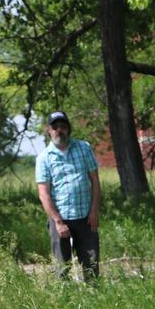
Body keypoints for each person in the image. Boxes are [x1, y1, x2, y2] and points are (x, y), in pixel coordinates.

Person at [36, 110, 101, 280]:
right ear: (49, 130)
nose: (59, 130)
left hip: (86, 218)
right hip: (60, 220)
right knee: (62, 268)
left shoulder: (84, 148)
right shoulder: (44, 158)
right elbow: (44, 194)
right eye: (55, 127)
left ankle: (94, 298)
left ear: (69, 128)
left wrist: (94, 211)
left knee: (92, 264)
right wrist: (58, 221)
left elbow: (95, 181)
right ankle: (65, 301)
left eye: (63, 126)